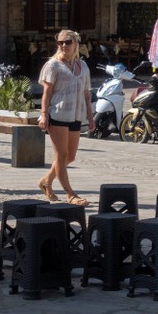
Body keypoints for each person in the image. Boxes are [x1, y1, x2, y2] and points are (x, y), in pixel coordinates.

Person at [37, 30, 94, 206]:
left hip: (76, 115)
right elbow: (46, 92)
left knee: (70, 156)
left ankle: (46, 181)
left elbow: (86, 93)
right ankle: (70, 193)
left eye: (67, 42)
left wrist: (90, 117)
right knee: (61, 155)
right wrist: (44, 114)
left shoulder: (82, 66)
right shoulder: (53, 65)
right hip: (58, 113)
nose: (63, 45)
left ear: (76, 44)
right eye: (60, 42)